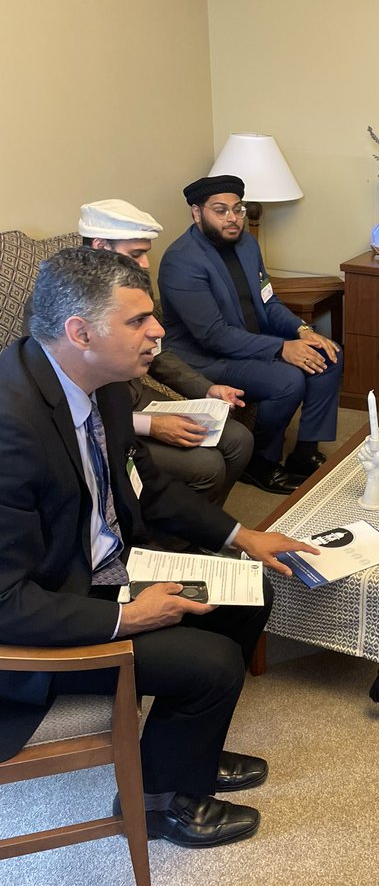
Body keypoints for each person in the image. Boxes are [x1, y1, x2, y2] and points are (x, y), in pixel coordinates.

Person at [0, 248, 318, 847]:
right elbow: (6, 603)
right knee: (211, 666)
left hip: (100, 566)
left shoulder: (107, 386)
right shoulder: (9, 429)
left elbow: (148, 487)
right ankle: (158, 802)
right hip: (38, 622)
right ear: (80, 332)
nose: (157, 333)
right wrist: (127, 617)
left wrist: (242, 535)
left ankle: (185, 756)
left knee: (251, 590)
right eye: (138, 322)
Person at [158, 175, 343, 495]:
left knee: (328, 353)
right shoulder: (181, 261)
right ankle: (261, 462)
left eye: (237, 209)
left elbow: (268, 302)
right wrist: (281, 348)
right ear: (196, 213)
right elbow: (213, 336)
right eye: (220, 210)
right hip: (205, 358)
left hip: (246, 338)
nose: (232, 218)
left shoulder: (246, 244)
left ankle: (303, 453)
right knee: (287, 380)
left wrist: (302, 331)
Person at [77, 198, 253, 505]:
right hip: (100, 419)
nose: (145, 264)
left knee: (239, 440)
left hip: (138, 396)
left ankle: (199, 530)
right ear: (101, 246)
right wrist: (151, 425)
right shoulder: (63, 301)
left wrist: (207, 389)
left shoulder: (132, 285)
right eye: (137, 254)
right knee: (206, 466)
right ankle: (168, 546)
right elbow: (73, 409)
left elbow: (156, 352)